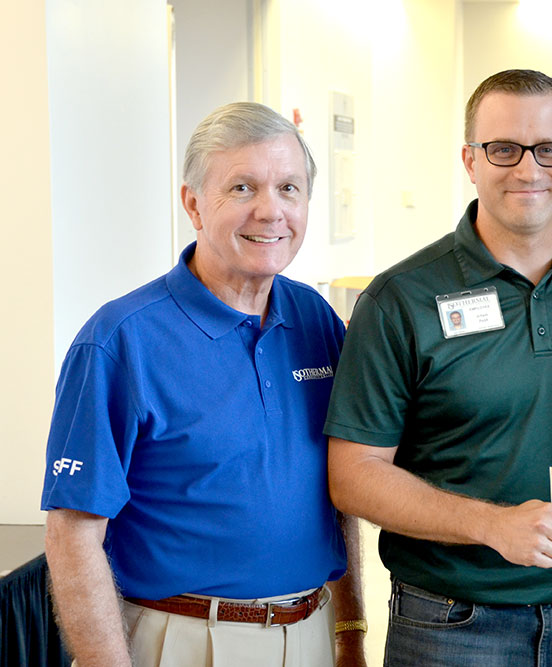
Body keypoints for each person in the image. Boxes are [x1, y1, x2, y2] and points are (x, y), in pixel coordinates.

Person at [325, 69, 552, 667]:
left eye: (549, 149)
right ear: (470, 160)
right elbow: (353, 475)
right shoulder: (400, 299)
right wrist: (491, 525)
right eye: (503, 149)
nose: (528, 170)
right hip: (448, 625)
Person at [42, 102, 366, 667]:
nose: (271, 211)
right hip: (183, 641)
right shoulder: (120, 341)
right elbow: (73, 535)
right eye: (242, 188)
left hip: (311, 634)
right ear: (193, 203)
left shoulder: (316, 321)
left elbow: (342, 489)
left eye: (289, 188)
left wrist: (351, 631)